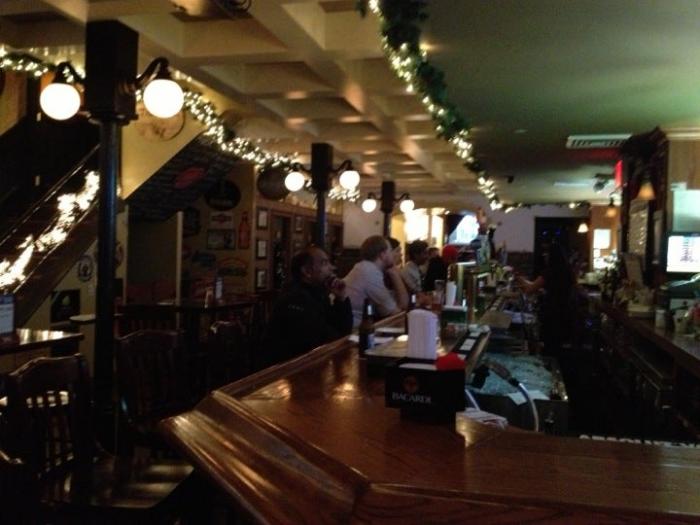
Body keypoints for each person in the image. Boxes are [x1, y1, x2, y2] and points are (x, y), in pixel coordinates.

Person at [265, 246, 352, 364]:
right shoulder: (295, 299)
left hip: (311, 363)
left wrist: (341, 299)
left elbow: (343, 332)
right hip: (286, 370)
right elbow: (327, 339)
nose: (332, 268)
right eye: (324, 263)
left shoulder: (318, 294)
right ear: (307, 271)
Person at [516, 243, 576, 356]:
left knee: (550, 344)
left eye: (547, 253)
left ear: (553, 256)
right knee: (557, 344)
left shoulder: (550, 271)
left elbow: (530, 289)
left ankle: (550, 362)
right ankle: (557, 362)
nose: (545, 256)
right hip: (565, 311)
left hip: (552, 313)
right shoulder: (567, 271)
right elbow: (556, 289)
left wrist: (518, 278)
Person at [344, 235, 409, 326]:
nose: (394, 255)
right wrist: (395, 273)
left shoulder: (365, 267)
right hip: (352, 330)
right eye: (391, 251)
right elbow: (397, 312)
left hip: (357, 325)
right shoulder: (370, 273)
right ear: (383, 255)